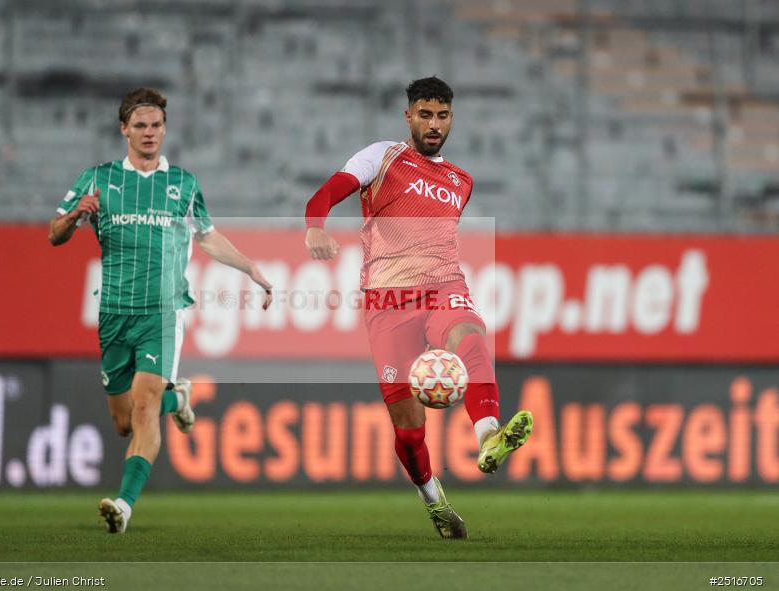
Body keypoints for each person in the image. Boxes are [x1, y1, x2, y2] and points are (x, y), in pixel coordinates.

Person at [303, 76, 533, 539]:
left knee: (469, 331)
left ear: (452, 118)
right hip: (387, 302)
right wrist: (315, 226)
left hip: (443, 285)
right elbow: (326, 192)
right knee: (409, 431)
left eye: (442, 116)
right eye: (424, 115)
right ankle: (435, 501)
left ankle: (488, 436)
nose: (433, 124)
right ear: (408, 116)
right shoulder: (382, 157)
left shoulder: (461, 181)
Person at [49, 87, 273, 534]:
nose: (149, 133)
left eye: (156, 126)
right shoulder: (98, 178)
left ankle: (124, 506)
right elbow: (54, 234)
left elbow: (207, 236)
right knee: (121, 422)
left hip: (162, 314)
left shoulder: (183, 185)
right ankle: (181, 397)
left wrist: (250, 267)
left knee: (145, 408)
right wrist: (76, 216)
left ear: (164, 129)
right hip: (113, 313)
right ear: (124, 130)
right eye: (140, 126)